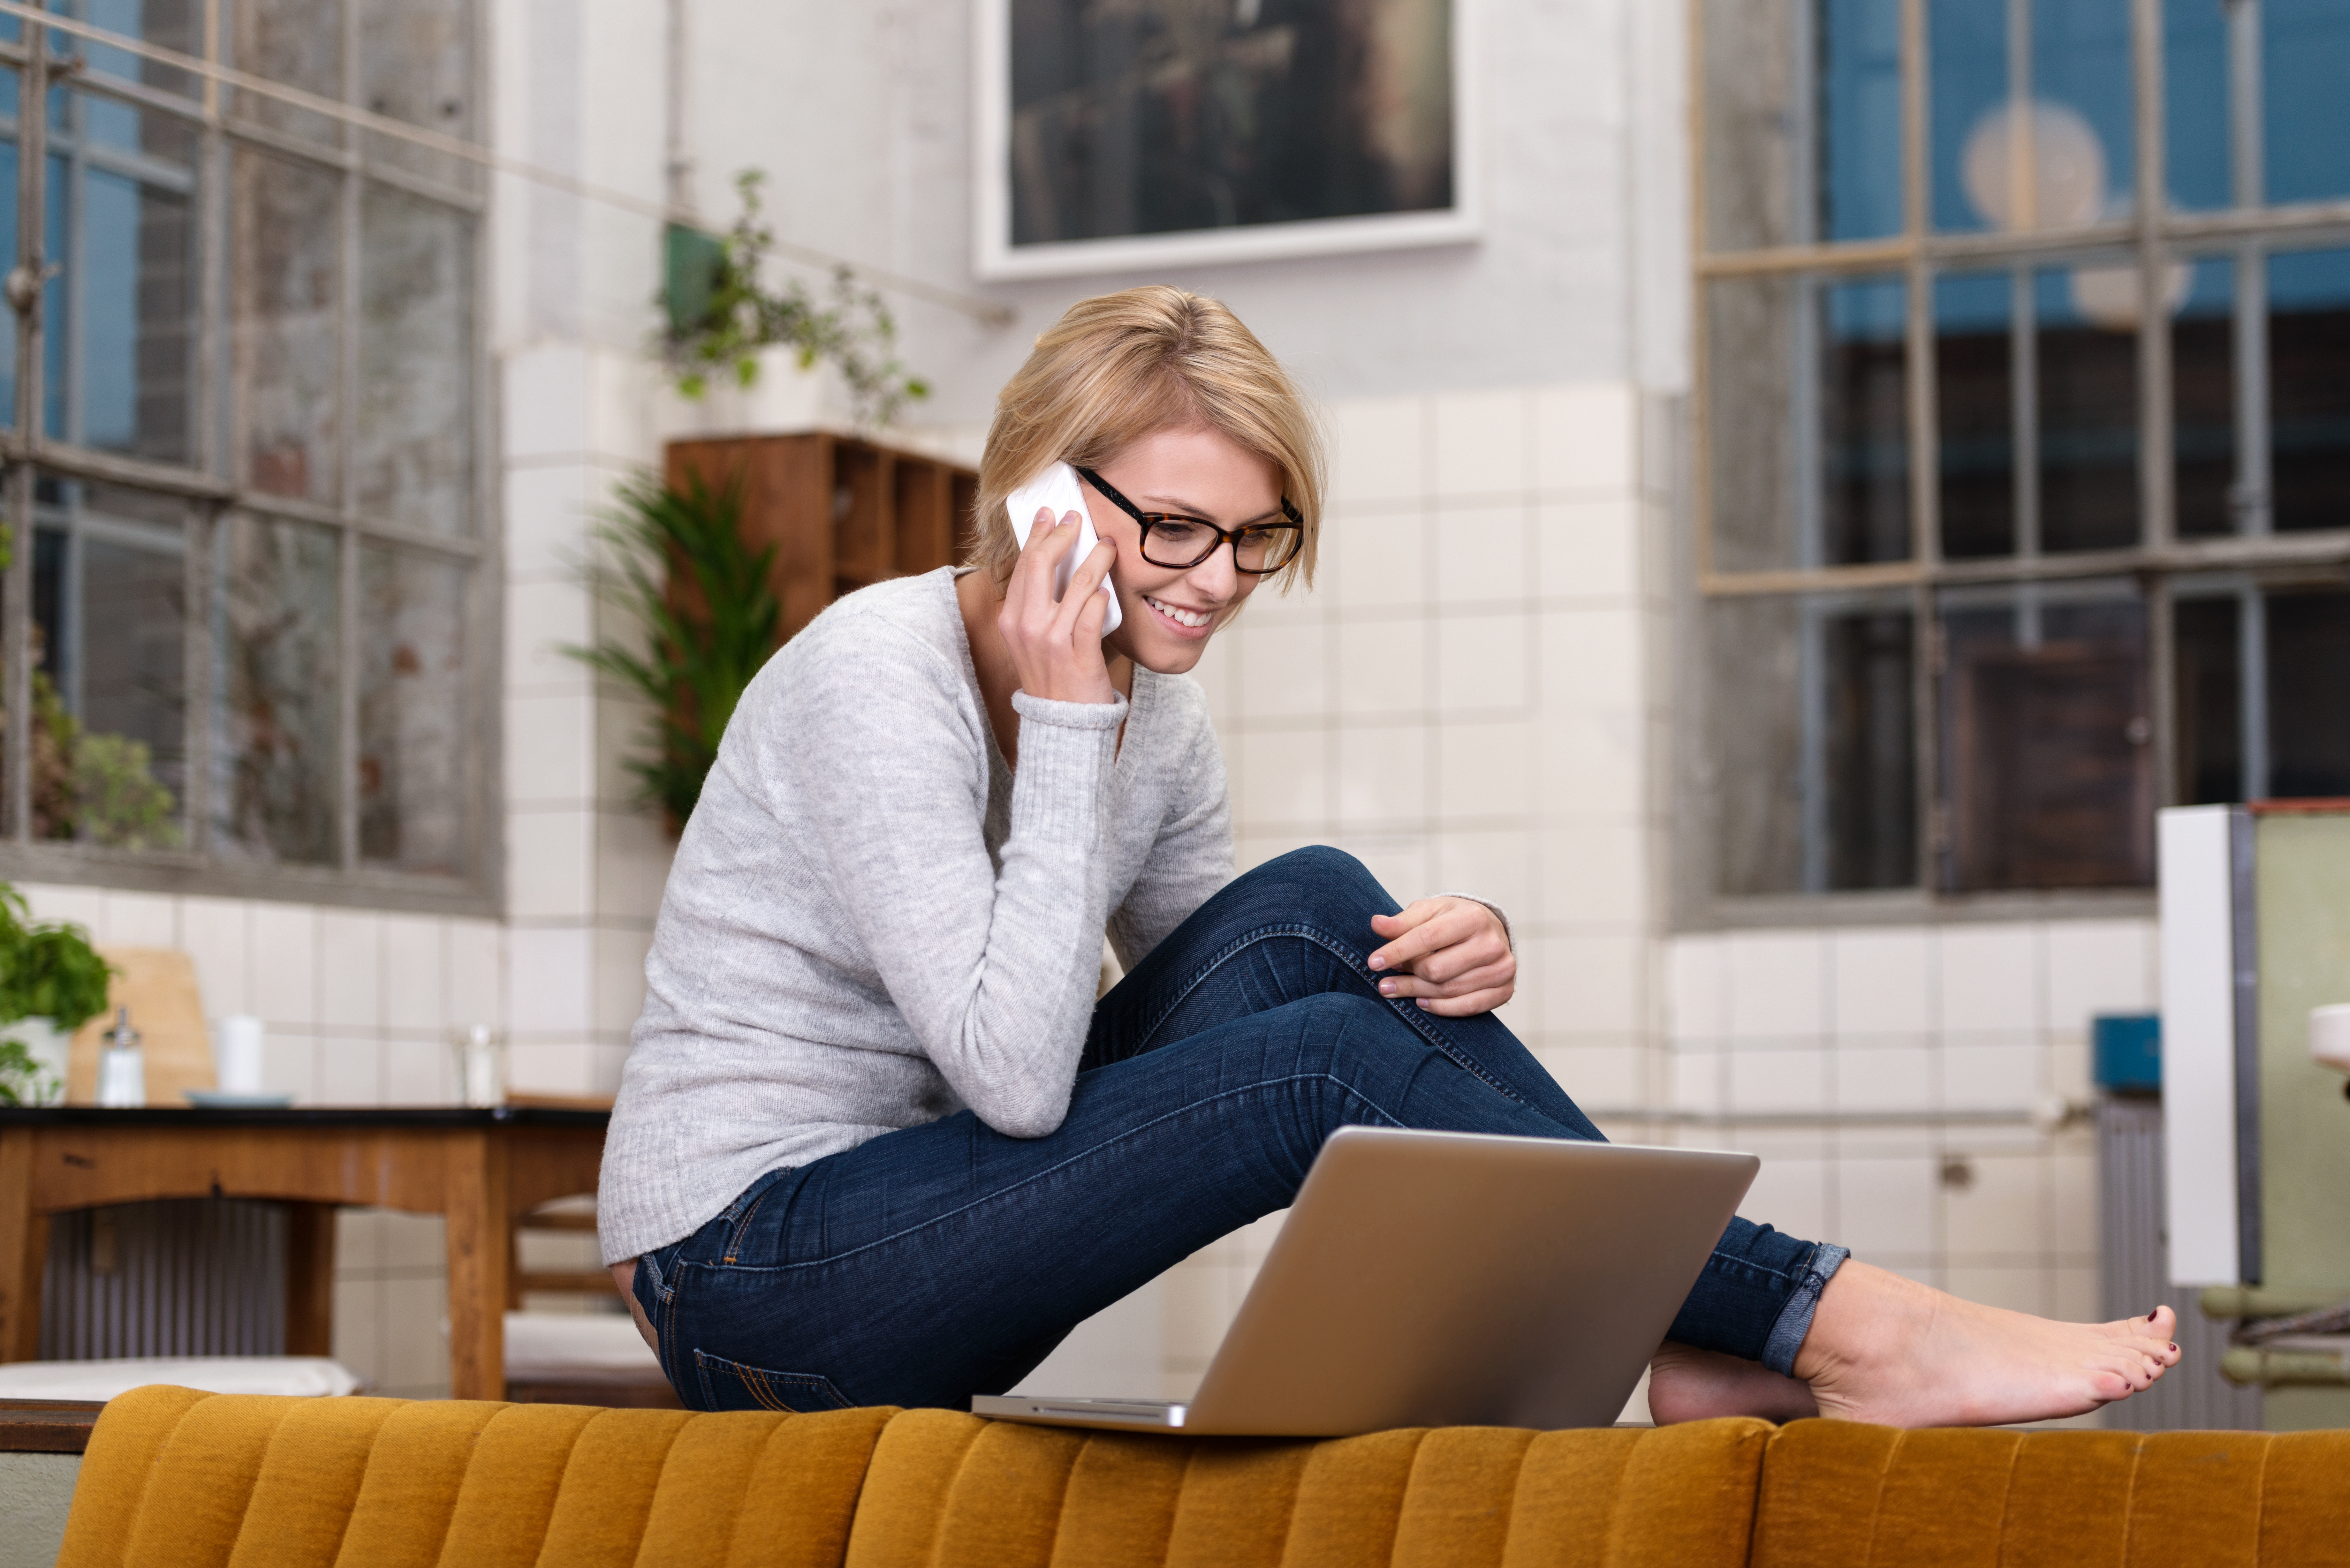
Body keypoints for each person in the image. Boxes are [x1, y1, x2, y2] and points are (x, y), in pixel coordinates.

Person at [600, 285, 2180, 1426]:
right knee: (1317, 1065)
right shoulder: (874, 676)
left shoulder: (1158, 720)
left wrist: (1455, 951)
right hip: (752, 1283)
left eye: (1254, 538)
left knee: (1317, 915)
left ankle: (1686, 1338)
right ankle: (1830, 1315)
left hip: (914, 1234)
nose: (1215, 582)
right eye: (1173, 529)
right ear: (1037, 505)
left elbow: (1215, 1018)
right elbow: (1020, 1084)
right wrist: (1077, 719)